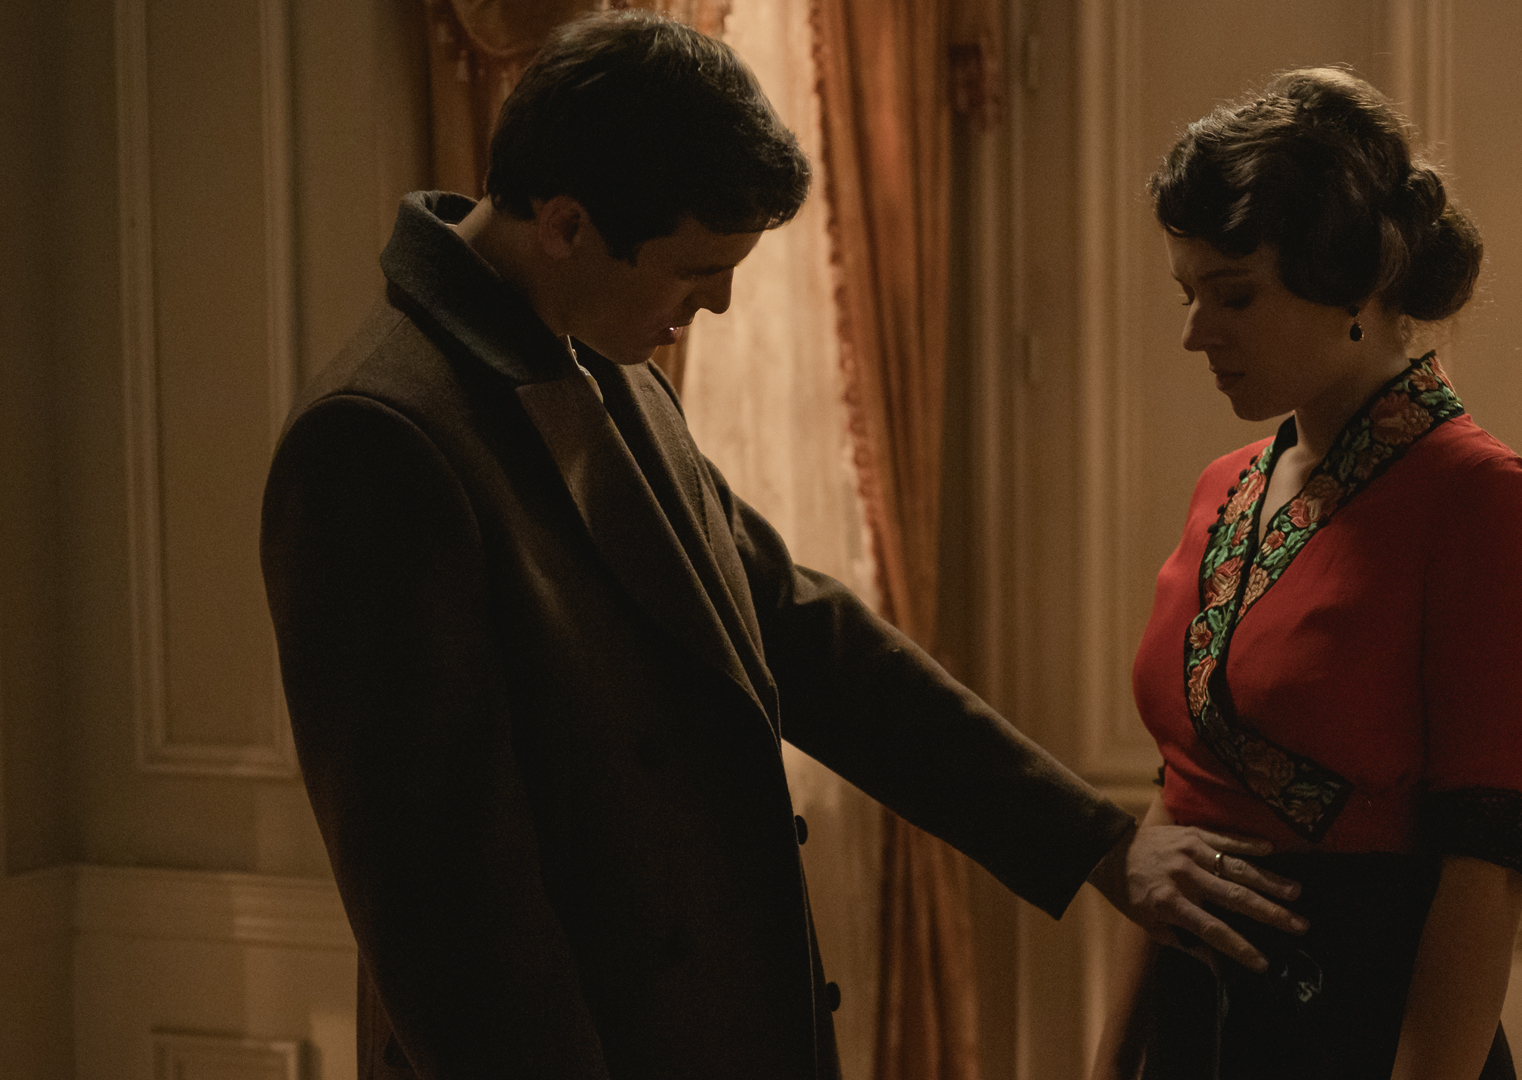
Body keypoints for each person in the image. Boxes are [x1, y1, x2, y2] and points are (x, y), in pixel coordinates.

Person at [260, 11, 1297, 1080]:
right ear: (566, 225)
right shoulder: (375, 443)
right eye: (697, 269)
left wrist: (1101, 848)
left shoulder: (596, 352)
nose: (716, 302)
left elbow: (803, 634)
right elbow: (448, 922)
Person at [1091, 68, 1522, 1080]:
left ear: (1352, 280)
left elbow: (1485, 876)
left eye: (1235, 294)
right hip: (1194, 1026)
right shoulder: (1224, 488)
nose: (1194, 332)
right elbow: (1181, 797)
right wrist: (1110, 1063)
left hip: (1355, 1031)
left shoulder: (1482, 502)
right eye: (1188, 293)